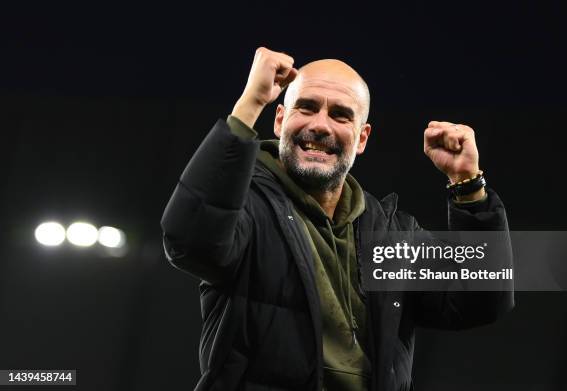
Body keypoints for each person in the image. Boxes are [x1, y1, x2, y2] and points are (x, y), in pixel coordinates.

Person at [160, 47, 514, 391]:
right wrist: (249, 105)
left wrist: (468, 185)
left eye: (341, 115)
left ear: (361, 138)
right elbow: (190, 242)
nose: (320, 125)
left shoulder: (390, 234)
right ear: (280, 119)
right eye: (307, 108)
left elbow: (480, 299)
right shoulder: (245, 206)